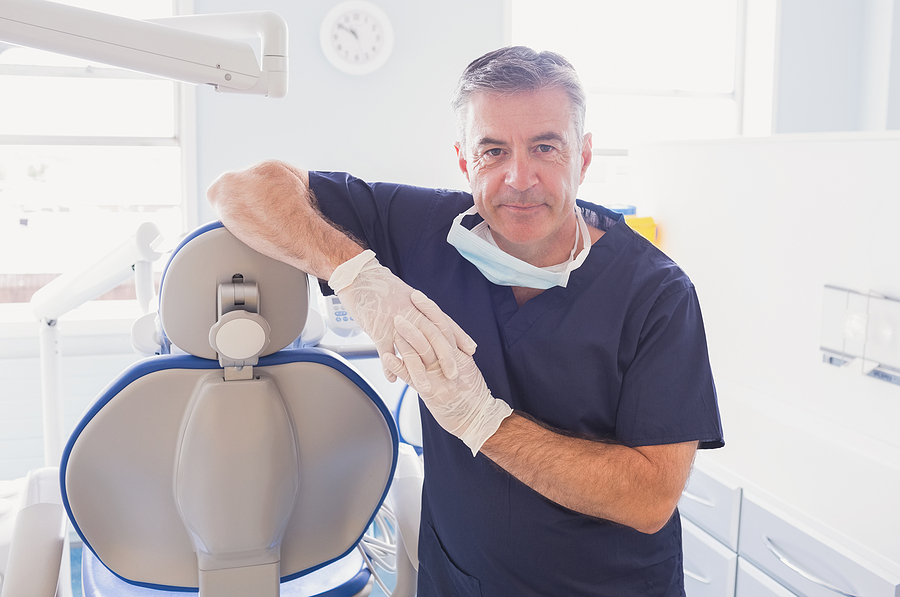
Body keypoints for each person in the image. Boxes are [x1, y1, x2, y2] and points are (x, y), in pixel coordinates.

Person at [208, 46, 723, 596]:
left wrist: (482, 422)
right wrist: (357, 275)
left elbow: (649, 499)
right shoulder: (423, 228)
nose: (518, 177)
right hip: (459, 581)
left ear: (585, 156)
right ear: (462, 159)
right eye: (493, 150)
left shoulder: (656, 295)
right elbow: (240, 190)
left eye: (545, 147)